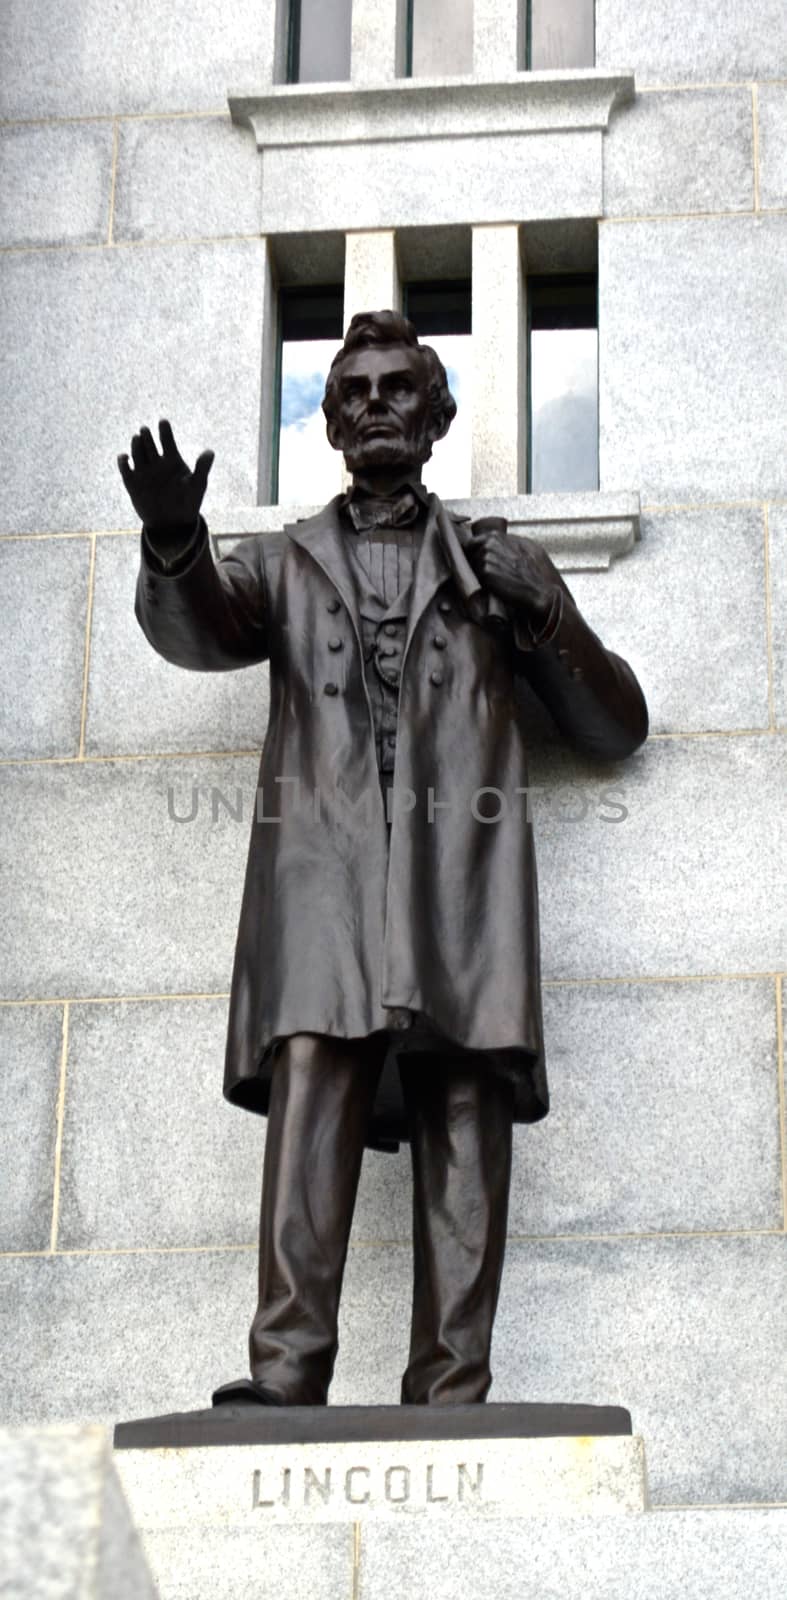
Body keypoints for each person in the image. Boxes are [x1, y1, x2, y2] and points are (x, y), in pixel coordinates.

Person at [119, 310, 647, 1408]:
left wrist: (546, 609)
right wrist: (175, 545)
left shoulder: (497, 567)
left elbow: (613, 726)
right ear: (327, 424)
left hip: (461, 880)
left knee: (466, 1095)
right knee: (317, 1081)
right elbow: (199, 629)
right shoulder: (282, 564)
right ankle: (284, 1371)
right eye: (350, 389)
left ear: (437, 414)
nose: (371, 404)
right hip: (325, 879)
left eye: (395, 387)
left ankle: (453, 1386)